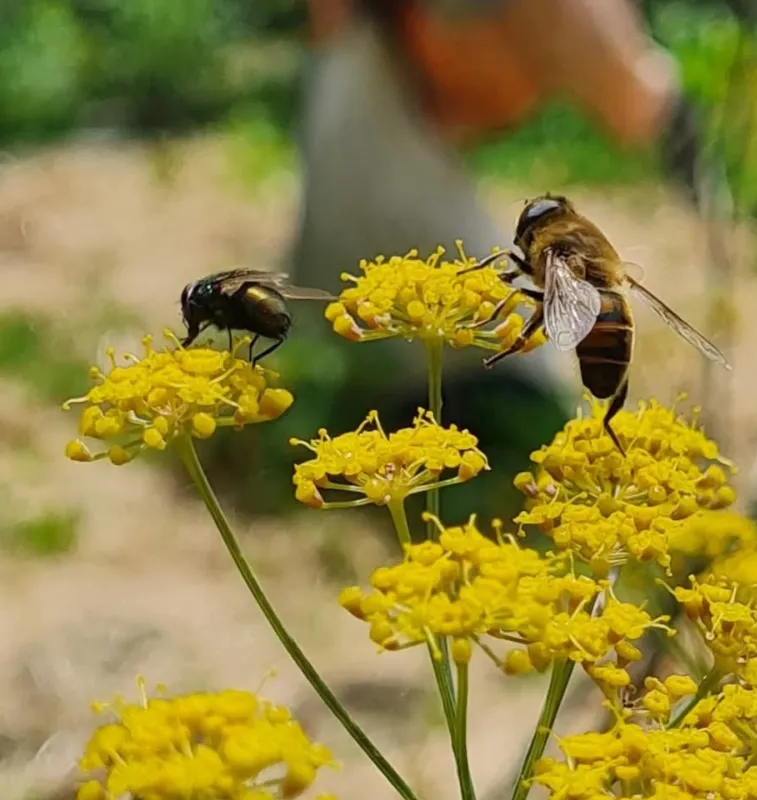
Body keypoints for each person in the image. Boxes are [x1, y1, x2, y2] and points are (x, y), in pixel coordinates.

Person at [288, 0, 715, 523]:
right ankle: (477, 419)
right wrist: (657, 104)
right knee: (478, 346)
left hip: (370, 105)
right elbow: (622, 93)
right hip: (377, 139)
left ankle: (503, 426)